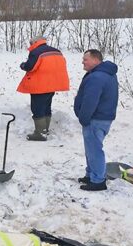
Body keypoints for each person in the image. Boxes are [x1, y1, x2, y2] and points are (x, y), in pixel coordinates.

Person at [74, 49, 118, 191]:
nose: (83, 62)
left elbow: (90, 100)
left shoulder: (97, 77)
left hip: (96, 119)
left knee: (94, 150)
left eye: (85, 59)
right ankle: (91, 175)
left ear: (95, 60)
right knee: (91, 149)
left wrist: (84, 117)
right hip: (101, 117)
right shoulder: (105, 74)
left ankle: (98, 181)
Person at [17, 36, 70, 141]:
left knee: (37, 108)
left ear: (36, 42)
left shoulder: (36, 52)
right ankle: (45, 130)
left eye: (31, 43)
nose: (30, 45)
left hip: (39, 85)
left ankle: (40, 133)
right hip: (53, 84)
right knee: (46, 107)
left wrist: (23, 65)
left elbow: (30, 67)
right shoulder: (57, 51)